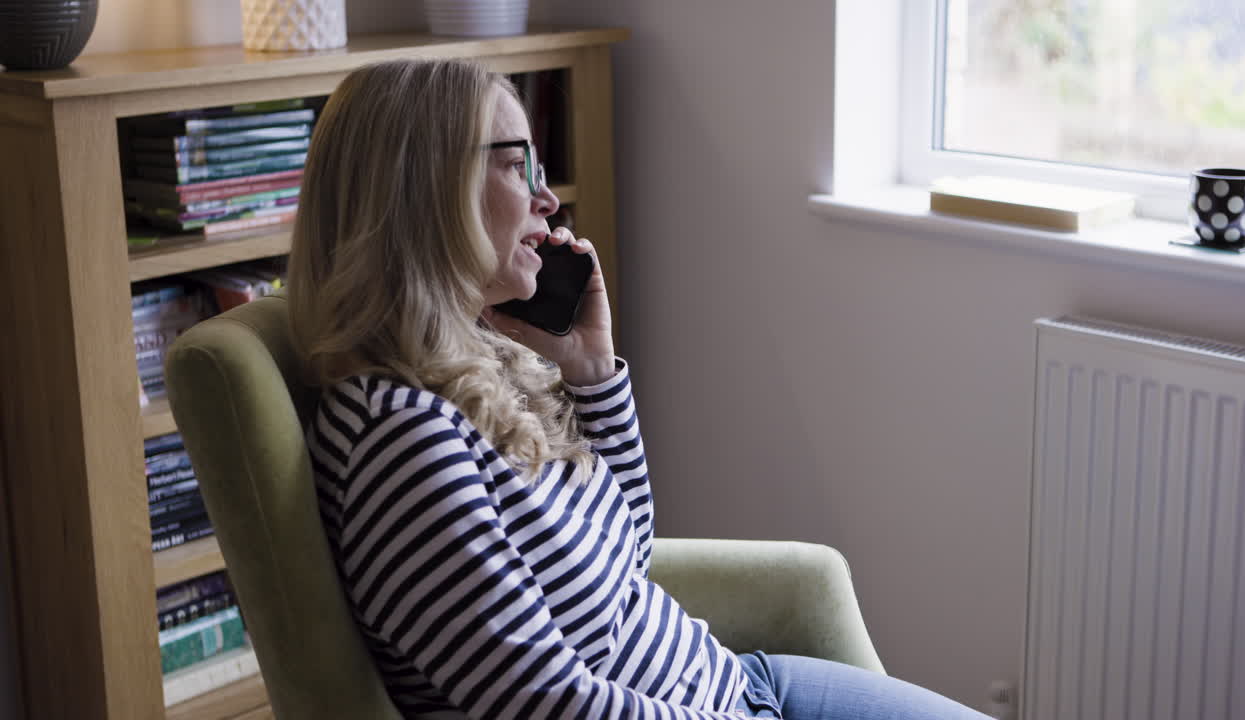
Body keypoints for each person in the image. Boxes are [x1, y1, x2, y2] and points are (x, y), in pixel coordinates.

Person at [287, 58, 989, 720]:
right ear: (425, 191)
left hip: (738, 683)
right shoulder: (400, 439)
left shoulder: (476, 363)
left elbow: (626, 556)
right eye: (516, 165)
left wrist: (592, 371)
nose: (546, 199)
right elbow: (546, 706)